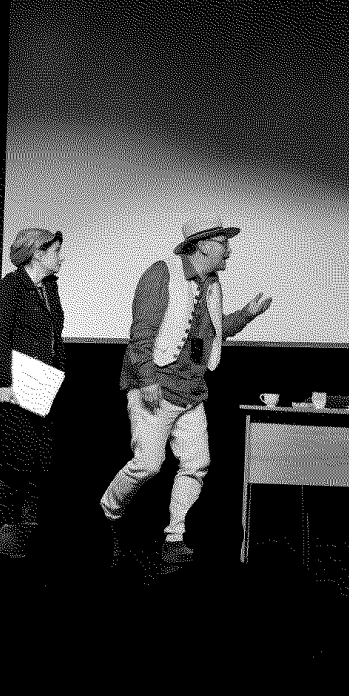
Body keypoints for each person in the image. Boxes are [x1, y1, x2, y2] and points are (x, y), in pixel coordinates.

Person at [100, 212, 272, 568]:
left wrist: (247, 314)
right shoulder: (161, 273)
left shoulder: (212, 284)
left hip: (191, 391)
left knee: (197, 463)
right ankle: (106, 516)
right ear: (203, 246)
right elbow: (141, 334)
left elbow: (214, 331)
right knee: (147, 465)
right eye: (223, 244)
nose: (228, 251)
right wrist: (147, 379)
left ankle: (175, 538)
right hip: (156, 387)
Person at [0, 228, 66, 557]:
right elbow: (0, 334)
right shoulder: (11, 286)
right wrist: (2, 382)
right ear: (37, 253)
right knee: (12, 460)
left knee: (39, 461)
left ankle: (28, 533)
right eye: (55, 251)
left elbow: (55, 335)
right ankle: (1, 533)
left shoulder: (49, 287)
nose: (61, 258)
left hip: (44, 385)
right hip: (18, 384)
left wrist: (58, 373)